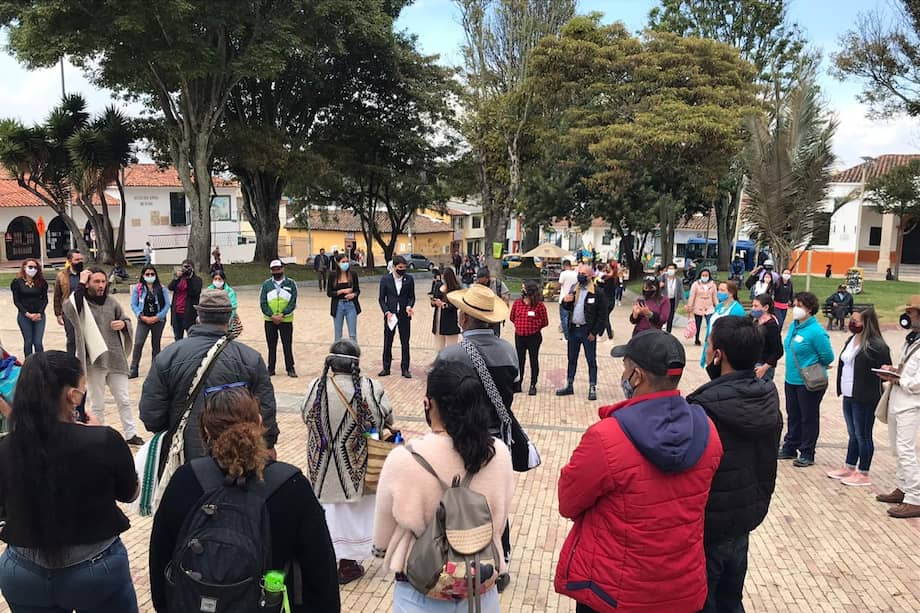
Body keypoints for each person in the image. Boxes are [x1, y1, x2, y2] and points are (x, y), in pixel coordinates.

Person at [555, 330, 723, 613]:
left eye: (625, 367)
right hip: (682, 586)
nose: (623, 375)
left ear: (637, 376)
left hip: (614, 592)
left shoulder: (606, 436)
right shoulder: (707, 431)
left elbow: (568, 502)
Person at [150, 386, 340, 612]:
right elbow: (321, 574)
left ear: (205, 432)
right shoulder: (291, 486)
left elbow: (160, 562)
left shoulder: (185, 480)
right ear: (259, 423)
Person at [0, 351, 140, 612]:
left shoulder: (6, 447)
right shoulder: (103, 440)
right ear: (73, 396)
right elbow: (129, 493)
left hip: (23, 569)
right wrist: (97, 433)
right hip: (96, 567)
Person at [373, 358, 514, 613]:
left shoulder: (404, 459)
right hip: (481, 586)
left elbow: (382, 533)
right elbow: (500, 519)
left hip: (421, 586)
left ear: (428, 404)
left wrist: (381, 551)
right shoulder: (499, 454)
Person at [688, 317, 782, 613]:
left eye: (710, 345)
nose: (707, 352)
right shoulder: (768, 397)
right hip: (744, 520)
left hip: (708, 528)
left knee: (703, 601)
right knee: (731, 599)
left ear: (720, 355)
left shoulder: (703, 408)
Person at [140, 289, 279, 463]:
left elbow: (151, 413)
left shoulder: (169, 355)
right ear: (230, 318)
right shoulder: (250, 358)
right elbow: (265, 408)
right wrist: (268, 443)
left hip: (184, 453)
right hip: (239, 456)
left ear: (198, 316)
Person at [302, 340, 393, 584]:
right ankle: (348, 564)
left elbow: (305, 416)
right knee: (355, 514)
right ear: (357, 363)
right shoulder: (369, 387)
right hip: (355, 467)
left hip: (322, 468)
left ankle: (327, 561)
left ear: (330, 363)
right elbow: (381, 420)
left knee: (329, 514)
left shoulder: (316, 387)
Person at [63, 267, 142, 446]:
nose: (100, 285)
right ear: (89, 283)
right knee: (97, 402)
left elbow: (127, 320)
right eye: (96, 281)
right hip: (94, 361)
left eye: (103, 282)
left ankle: (131, 434)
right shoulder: (81, 304)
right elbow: (69, 308)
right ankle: (98, 434)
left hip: (115, 358)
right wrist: (81, 283)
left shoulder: (112, 302)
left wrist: (123, 324)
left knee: (123, 399)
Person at [827, 308, 891, 487]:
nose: (853, 323)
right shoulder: (851, 339)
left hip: (865, 396)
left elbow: (885, 369)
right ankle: (849, 466)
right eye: (852, 319)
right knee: (852, 433)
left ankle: (863, 471)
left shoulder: (876, 345)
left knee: (863, 434)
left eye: (857, 321)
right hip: (849, 393)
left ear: (867, 323)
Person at [778, 292, 835, 467]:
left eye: (799, 306)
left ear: (809, 309)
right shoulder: (794, 327)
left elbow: (828, 356)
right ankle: (790, 446)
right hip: (791, 379)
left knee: (808, 417)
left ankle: (807, 452)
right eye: (794, 305)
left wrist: (814, 364)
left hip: (809, 382)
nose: (795, 309)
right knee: (793, 415)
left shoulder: (816, 331)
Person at [876, 297, 920, 518]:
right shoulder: (912, 340)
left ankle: (915, 498)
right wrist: (893, 370)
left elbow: (918, 381)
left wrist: (898, 379)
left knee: (906, 450)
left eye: (912, 314)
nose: (908, 317)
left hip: (911, 404)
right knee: (897, 449)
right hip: (897, 399)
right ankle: (903, 488)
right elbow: (906, 368)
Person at [556, 263, 607, 401]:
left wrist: (595, 332)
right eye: (579, 273)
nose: (580, 276)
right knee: (571, 358)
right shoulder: (575, 288)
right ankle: (570, 384)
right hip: (574, 329)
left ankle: (592, 386)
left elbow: (602, 315)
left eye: (583, 274)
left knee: (591, 359)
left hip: (587, 330)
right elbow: (566, 307)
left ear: (591, 276)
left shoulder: (597, 292)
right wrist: (565, 302)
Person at [129, 266, 171, 379]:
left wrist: (157, 317)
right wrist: (141, 316)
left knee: (155, 344)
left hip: (158, 320)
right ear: (143, 275)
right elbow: (133, 304)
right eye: (147, 274)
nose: (150, 276)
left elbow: (167, 305)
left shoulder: (161, 288)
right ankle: (133, 368)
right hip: (143, 320)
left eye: (152, 274)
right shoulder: (138, 289)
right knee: (138, 343)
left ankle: (155, 370)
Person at [509, 281, 548, 396]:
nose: (522, 290)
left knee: (533, 360)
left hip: (534, 337)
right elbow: (512, 317)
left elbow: (545, 321)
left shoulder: (539, 305)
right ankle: (518, 383)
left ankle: (533, 384)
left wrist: (534, 327)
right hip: (519, 336)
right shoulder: (517, 303)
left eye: (524, 288)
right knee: (520, 360)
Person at [378, 255, 415, 378]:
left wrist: (409, 306)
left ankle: (405, 368)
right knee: (388, 341)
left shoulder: (409, 280)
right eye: (400, 267)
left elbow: (412, 297)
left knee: (405, 342)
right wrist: (386, 312)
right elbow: (382, 299)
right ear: (394, 267)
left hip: (404, 315)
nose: (402, 270)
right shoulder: (385, 280)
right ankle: (386, 367)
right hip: (391, 315)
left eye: (404, 268)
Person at [260, 259, 298, 377]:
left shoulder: (291, 284)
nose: (276, 271)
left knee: (287, 344)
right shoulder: (266, 285)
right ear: (271, 271)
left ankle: (290, 368)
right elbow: (263, 302)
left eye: (278, 268)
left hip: (285, 320)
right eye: (274, 269)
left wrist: (283, 314)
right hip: (269, 319)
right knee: (271, 345)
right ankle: (271, 368)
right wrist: (271, 315)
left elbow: (293, 301)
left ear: (282, 268)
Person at [699, 281, 746, 368]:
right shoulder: (719, 306)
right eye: (718, 290)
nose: (719, 292)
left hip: (725, 347)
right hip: (712, 344)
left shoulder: (737, 309)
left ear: (731, 293)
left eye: (722, 290)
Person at [11, 259, 48, 357]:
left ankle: (41, 363)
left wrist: (40, 313)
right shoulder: (17, 282)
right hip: (24, 316)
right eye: (30, 267)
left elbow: (45, 299)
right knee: (28, 342)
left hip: (39, 315)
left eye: (35, 267)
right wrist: (27, 314)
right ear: (24, 267)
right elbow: (17, 301)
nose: (33, 269)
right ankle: (29, 364)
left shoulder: (42, 282)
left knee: (38, 342)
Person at [53, 249, 83, 356]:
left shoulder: (87, 274)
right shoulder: (62, 275)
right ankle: (70, 361)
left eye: (81, 259)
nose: (80, 261)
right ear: (70, 261)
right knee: (71, 339)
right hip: (68, 311)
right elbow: (57, 295)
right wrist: (58, 314)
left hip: (84, 311)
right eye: (77, 259)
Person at [328, 253, 361, 343]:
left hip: (351, 305)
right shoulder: (332, 275)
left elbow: (357, 291)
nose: (345, 263)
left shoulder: (353, 274)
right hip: (338, 305)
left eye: (347, 261)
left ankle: (354, 354)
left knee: (352, 334)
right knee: (338, 334)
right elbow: (329, 293)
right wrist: (341, 291)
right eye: (343, 262)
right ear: (338, 263)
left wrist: (353, 295)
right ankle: (337, 354)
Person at [167, 258, 202, 341]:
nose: (186, 269)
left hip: (189, 314)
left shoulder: (197, 280)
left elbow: (194, 292)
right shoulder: (179, 279)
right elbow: (170, 287)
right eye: (184, 267)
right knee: (178, 338)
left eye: (188, 267)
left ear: (192, 269)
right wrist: (176, 278)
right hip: (177, 313)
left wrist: (189, 278)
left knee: (192, 338)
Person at [751, 293, 783, 382]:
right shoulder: (756, 321)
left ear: (765, 308)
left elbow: (778, 351)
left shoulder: (771, 325)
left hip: (764, 366)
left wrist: (764, 368)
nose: (753, 308)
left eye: (756, 306)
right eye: (752, 305)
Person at [431, 267, 461, 351]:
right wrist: (434, 302)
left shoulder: (455, 288)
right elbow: (434, 298)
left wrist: (444, 305)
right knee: (439, 348)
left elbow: (456, 305)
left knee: (451, 348)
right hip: (438, 318)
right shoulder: (438, 285)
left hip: (450, 320)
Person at [686, 269, 718, 346]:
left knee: (710, 323)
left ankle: (709, 338)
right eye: (703, 275)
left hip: (709, 307)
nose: (705, 277)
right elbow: (692, 296)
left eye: (706, 275)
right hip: (698, 306)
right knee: (697, 324)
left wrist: (717, 306)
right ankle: (697, 339)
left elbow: (715, 297)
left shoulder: (713, 285)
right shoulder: (696, 284)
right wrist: (690, 306)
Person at [476, 267, 511, 336]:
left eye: (484, 282)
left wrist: (504, 300)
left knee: (495, 336)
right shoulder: (476, 284)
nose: (482, 284)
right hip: (481, 316)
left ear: (488, 278)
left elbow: (506, 296)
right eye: (480, 282)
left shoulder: (498, 284)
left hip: (495, 316)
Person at [659, 262, 684, 333]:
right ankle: (660, 330)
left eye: (672, 269)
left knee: (670, 317)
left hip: (673, 300)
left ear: (675, 270)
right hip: (664, 300)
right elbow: (654, 283)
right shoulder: (663, 277)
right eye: (669, 268)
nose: (670, 270)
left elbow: (681, 291)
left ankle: (668, 332)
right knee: (663, 315)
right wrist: (659, 285)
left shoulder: (678, 280)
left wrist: (685, 303)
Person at [557, 259, 579, 339]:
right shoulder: (576, 274)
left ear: (564, 266)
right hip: (573, 298)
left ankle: (567, 336)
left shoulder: (563, 274)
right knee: (571, 317)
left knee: (564, 318)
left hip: (563, 298)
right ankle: (571, 335)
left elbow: (560, 284)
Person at [596, 263, 618, 339]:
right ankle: (600, 333)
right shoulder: (614, 278)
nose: (606, 268)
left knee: (605, 318)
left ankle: (609, 334)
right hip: (611, 301)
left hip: (607, 301)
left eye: (608, 267)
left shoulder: (607, 278)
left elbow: (600, 285)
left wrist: (599, 281)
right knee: (605, 317)